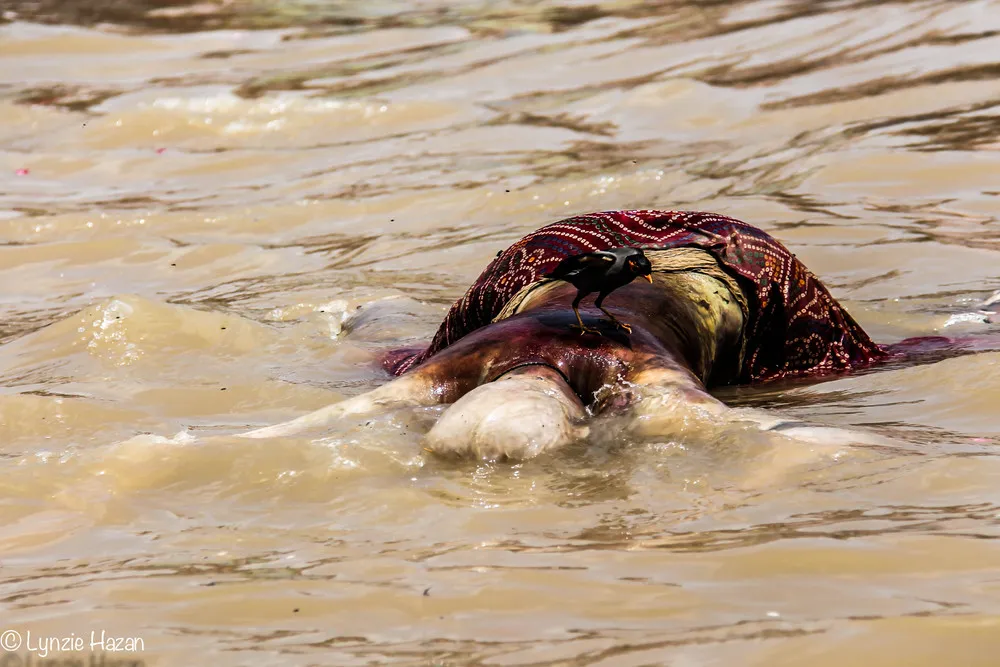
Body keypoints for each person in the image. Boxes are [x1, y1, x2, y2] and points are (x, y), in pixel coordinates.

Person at [242, 210, 997, 460]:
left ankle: (975, 322)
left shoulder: (634, 377)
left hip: (739, 269)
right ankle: (369, 308)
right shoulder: (451, 370)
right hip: (546, 254)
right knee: (395, 353)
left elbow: (782, 432)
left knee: (841, 370)